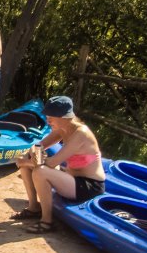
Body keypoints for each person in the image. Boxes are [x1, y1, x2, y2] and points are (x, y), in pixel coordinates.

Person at [14, 96, 106, 234]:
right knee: (29, 165)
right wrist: (30, 154)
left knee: (40, 171)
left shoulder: (81, 133)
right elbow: (38, 145)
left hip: (89, 186)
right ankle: (34, 208)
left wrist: (27, 161)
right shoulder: (63, 129)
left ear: (65, 117)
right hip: (72, 179)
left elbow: (51, 164)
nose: (48, 120)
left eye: (52, 116)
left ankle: (47, 222)